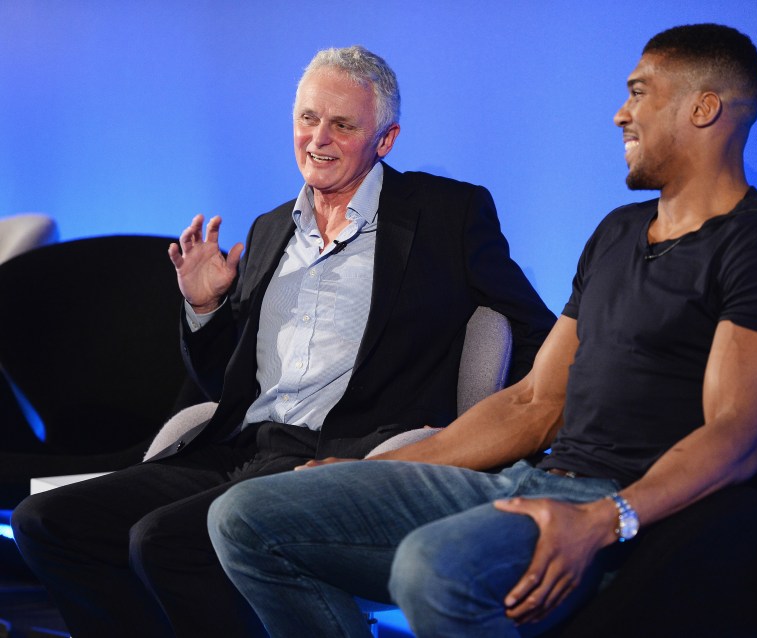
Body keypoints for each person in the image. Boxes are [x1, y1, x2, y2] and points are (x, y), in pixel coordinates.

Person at [209, 24, 757, 637]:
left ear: (704, 108)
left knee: (432, 567)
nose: (621, 113)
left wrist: (602, 520)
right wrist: (372, 470)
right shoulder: (617, 232)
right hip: (530, 479)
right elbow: (536, 401)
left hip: (620, 505)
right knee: (244, 516)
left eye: (641, 93)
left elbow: (738, 435)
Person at [11, 46, 554, 638]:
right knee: (46, 521)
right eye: (307, 118)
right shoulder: (271, 229)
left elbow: (534, 331)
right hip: (242, 446)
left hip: (348, 451)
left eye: (342, 125)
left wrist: (495, 437)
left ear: (386, 139)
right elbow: (225, 383)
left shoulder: (446, 214)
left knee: (162, 539)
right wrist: (206, 307)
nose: (317, 138)